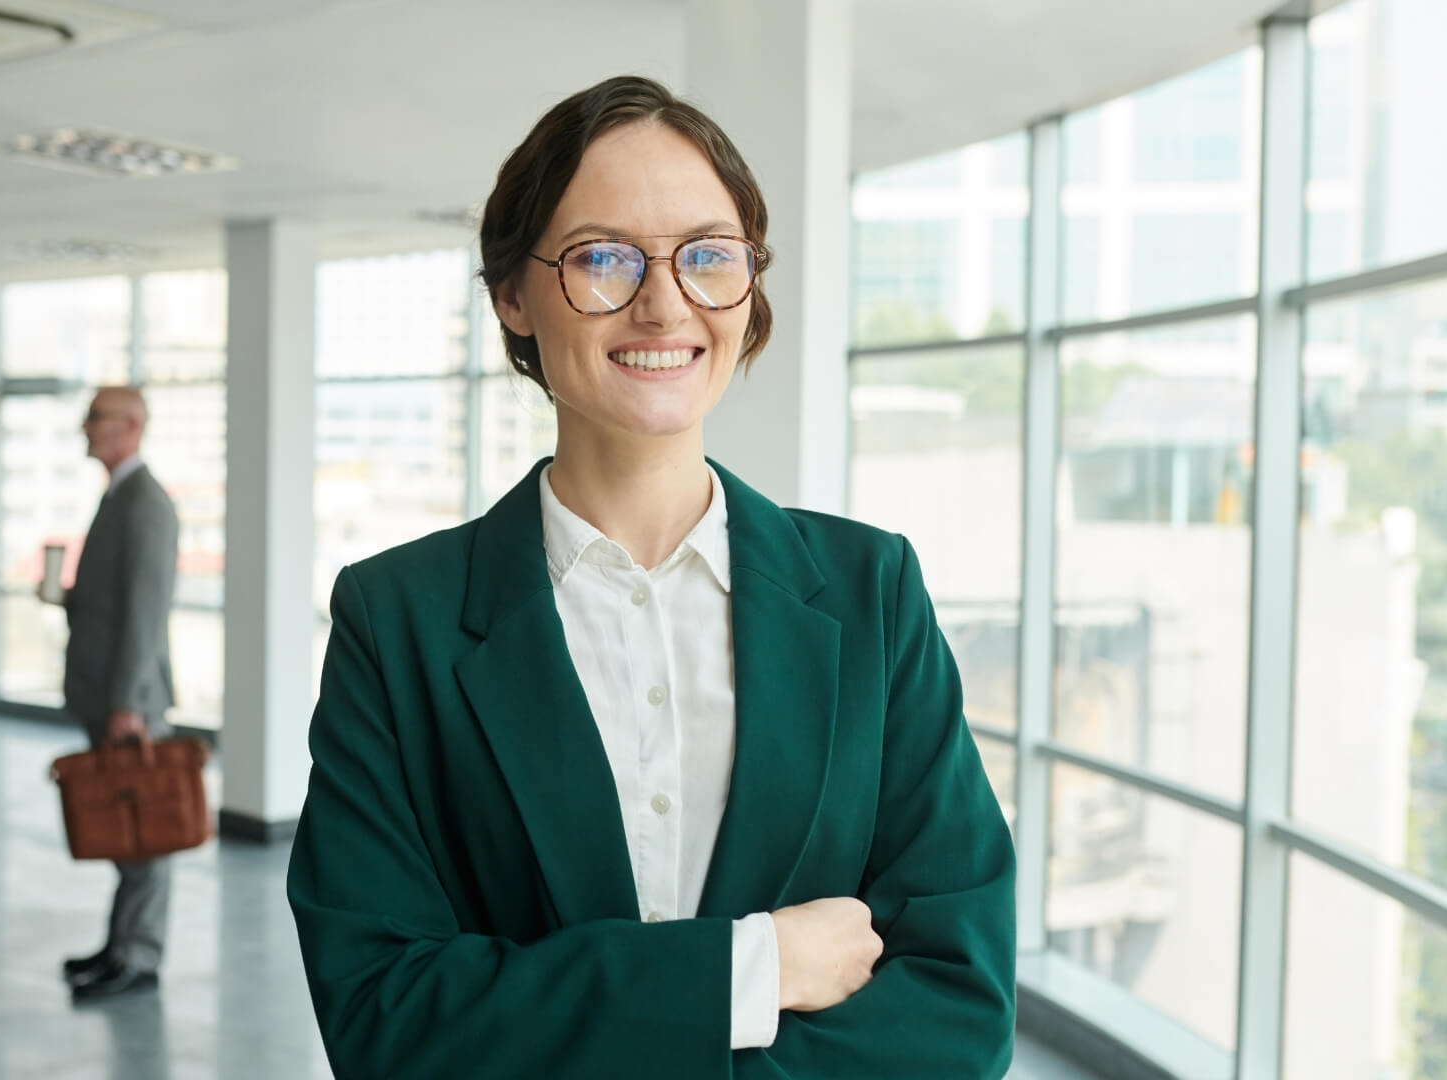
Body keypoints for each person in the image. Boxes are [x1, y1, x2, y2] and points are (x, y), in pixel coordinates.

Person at [288, 76, 1017, 1077]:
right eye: (603, 257)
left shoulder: (872, 594)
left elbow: (960, 1007)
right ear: (512, 295)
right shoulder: (397, 620)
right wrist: (748, 971)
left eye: (709, 255)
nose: (664, 303)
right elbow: (386, 1017)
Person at [52, 386, 182, 1002]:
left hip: (129, 700)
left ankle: (139, 956)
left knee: (146, 828)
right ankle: (120, 946)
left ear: (131, 425)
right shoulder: (119, 496)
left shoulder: (145, 503)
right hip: (110, 695)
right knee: (124, 823)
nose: (85, 426)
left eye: (96, 416)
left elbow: (146, 612)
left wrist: (127, 702)